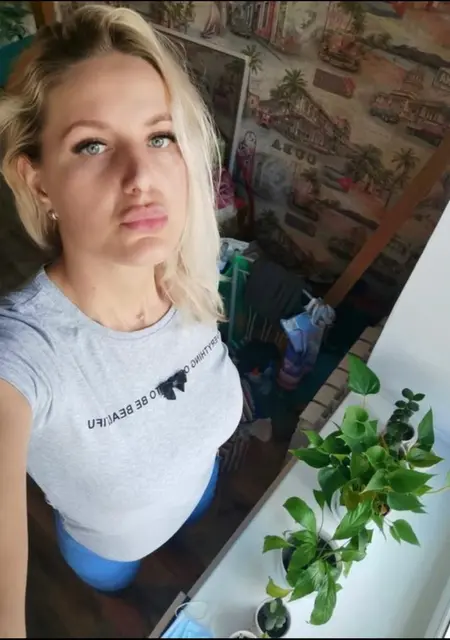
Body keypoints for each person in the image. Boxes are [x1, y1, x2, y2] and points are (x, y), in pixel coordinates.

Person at [0, 5, 243, 636]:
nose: (141, 177)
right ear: (38, 180)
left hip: (199, 492)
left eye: (159, 136)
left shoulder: (187, 272)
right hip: (106, 553)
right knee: (116, 592)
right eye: (92, 144)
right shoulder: (22, 356)